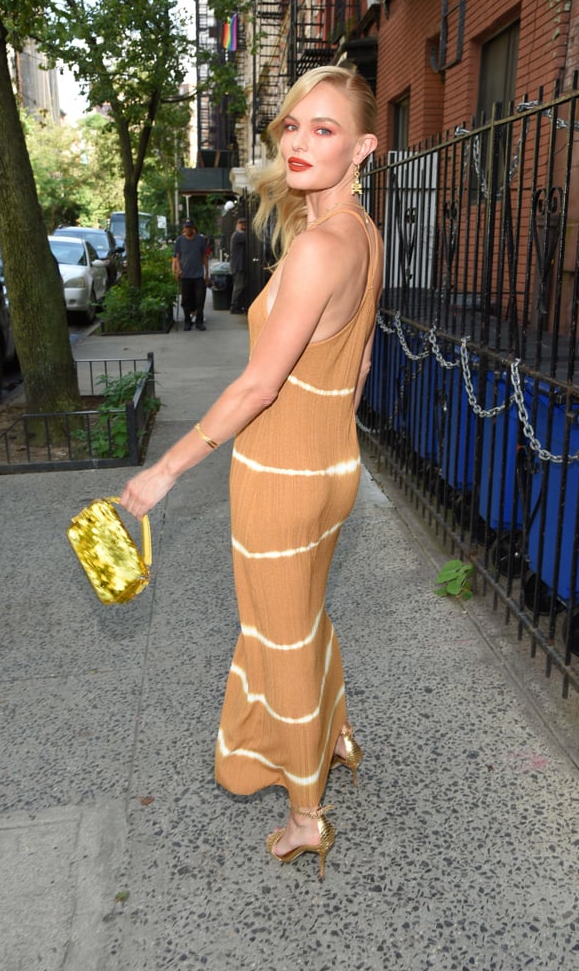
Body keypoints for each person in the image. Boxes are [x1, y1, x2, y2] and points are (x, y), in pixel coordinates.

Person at [121, 64, 383, 878]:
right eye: (293, 126)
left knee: (279, 638)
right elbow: (363, 360)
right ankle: (334, 735)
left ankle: (307, 813)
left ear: (364, 147)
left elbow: (259, 385)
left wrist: (164, 472)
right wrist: (326, 437)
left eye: (326, 129)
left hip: (280, 474)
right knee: (307, 615)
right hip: (333, 464)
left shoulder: (316, 251)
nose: (301, 143)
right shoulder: (362, 236)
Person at [172, 219, 209, 330]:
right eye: (186, 227)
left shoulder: (200, 240)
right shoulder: (179, 240)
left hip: (198, 275)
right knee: (186, 300)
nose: (188, 229)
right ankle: (187, 321)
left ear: (193, 228)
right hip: (185, 275)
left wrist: (207, 274)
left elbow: (204, 257)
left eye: (190, 227)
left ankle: (199, 321)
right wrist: (178, 270)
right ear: (184, 228)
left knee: (200, 300)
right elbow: (177, 257)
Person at [228, 216, 247, 313]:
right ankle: (234, 306)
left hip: (239, 265)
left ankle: (237, 305)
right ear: (237, 225)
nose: (243, 225)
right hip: (237, 265)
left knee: (239, 286)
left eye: (244, 223)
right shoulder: (238, 235)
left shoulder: (238, 235)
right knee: (239, 287)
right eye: (241, 223)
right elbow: (248, 238)